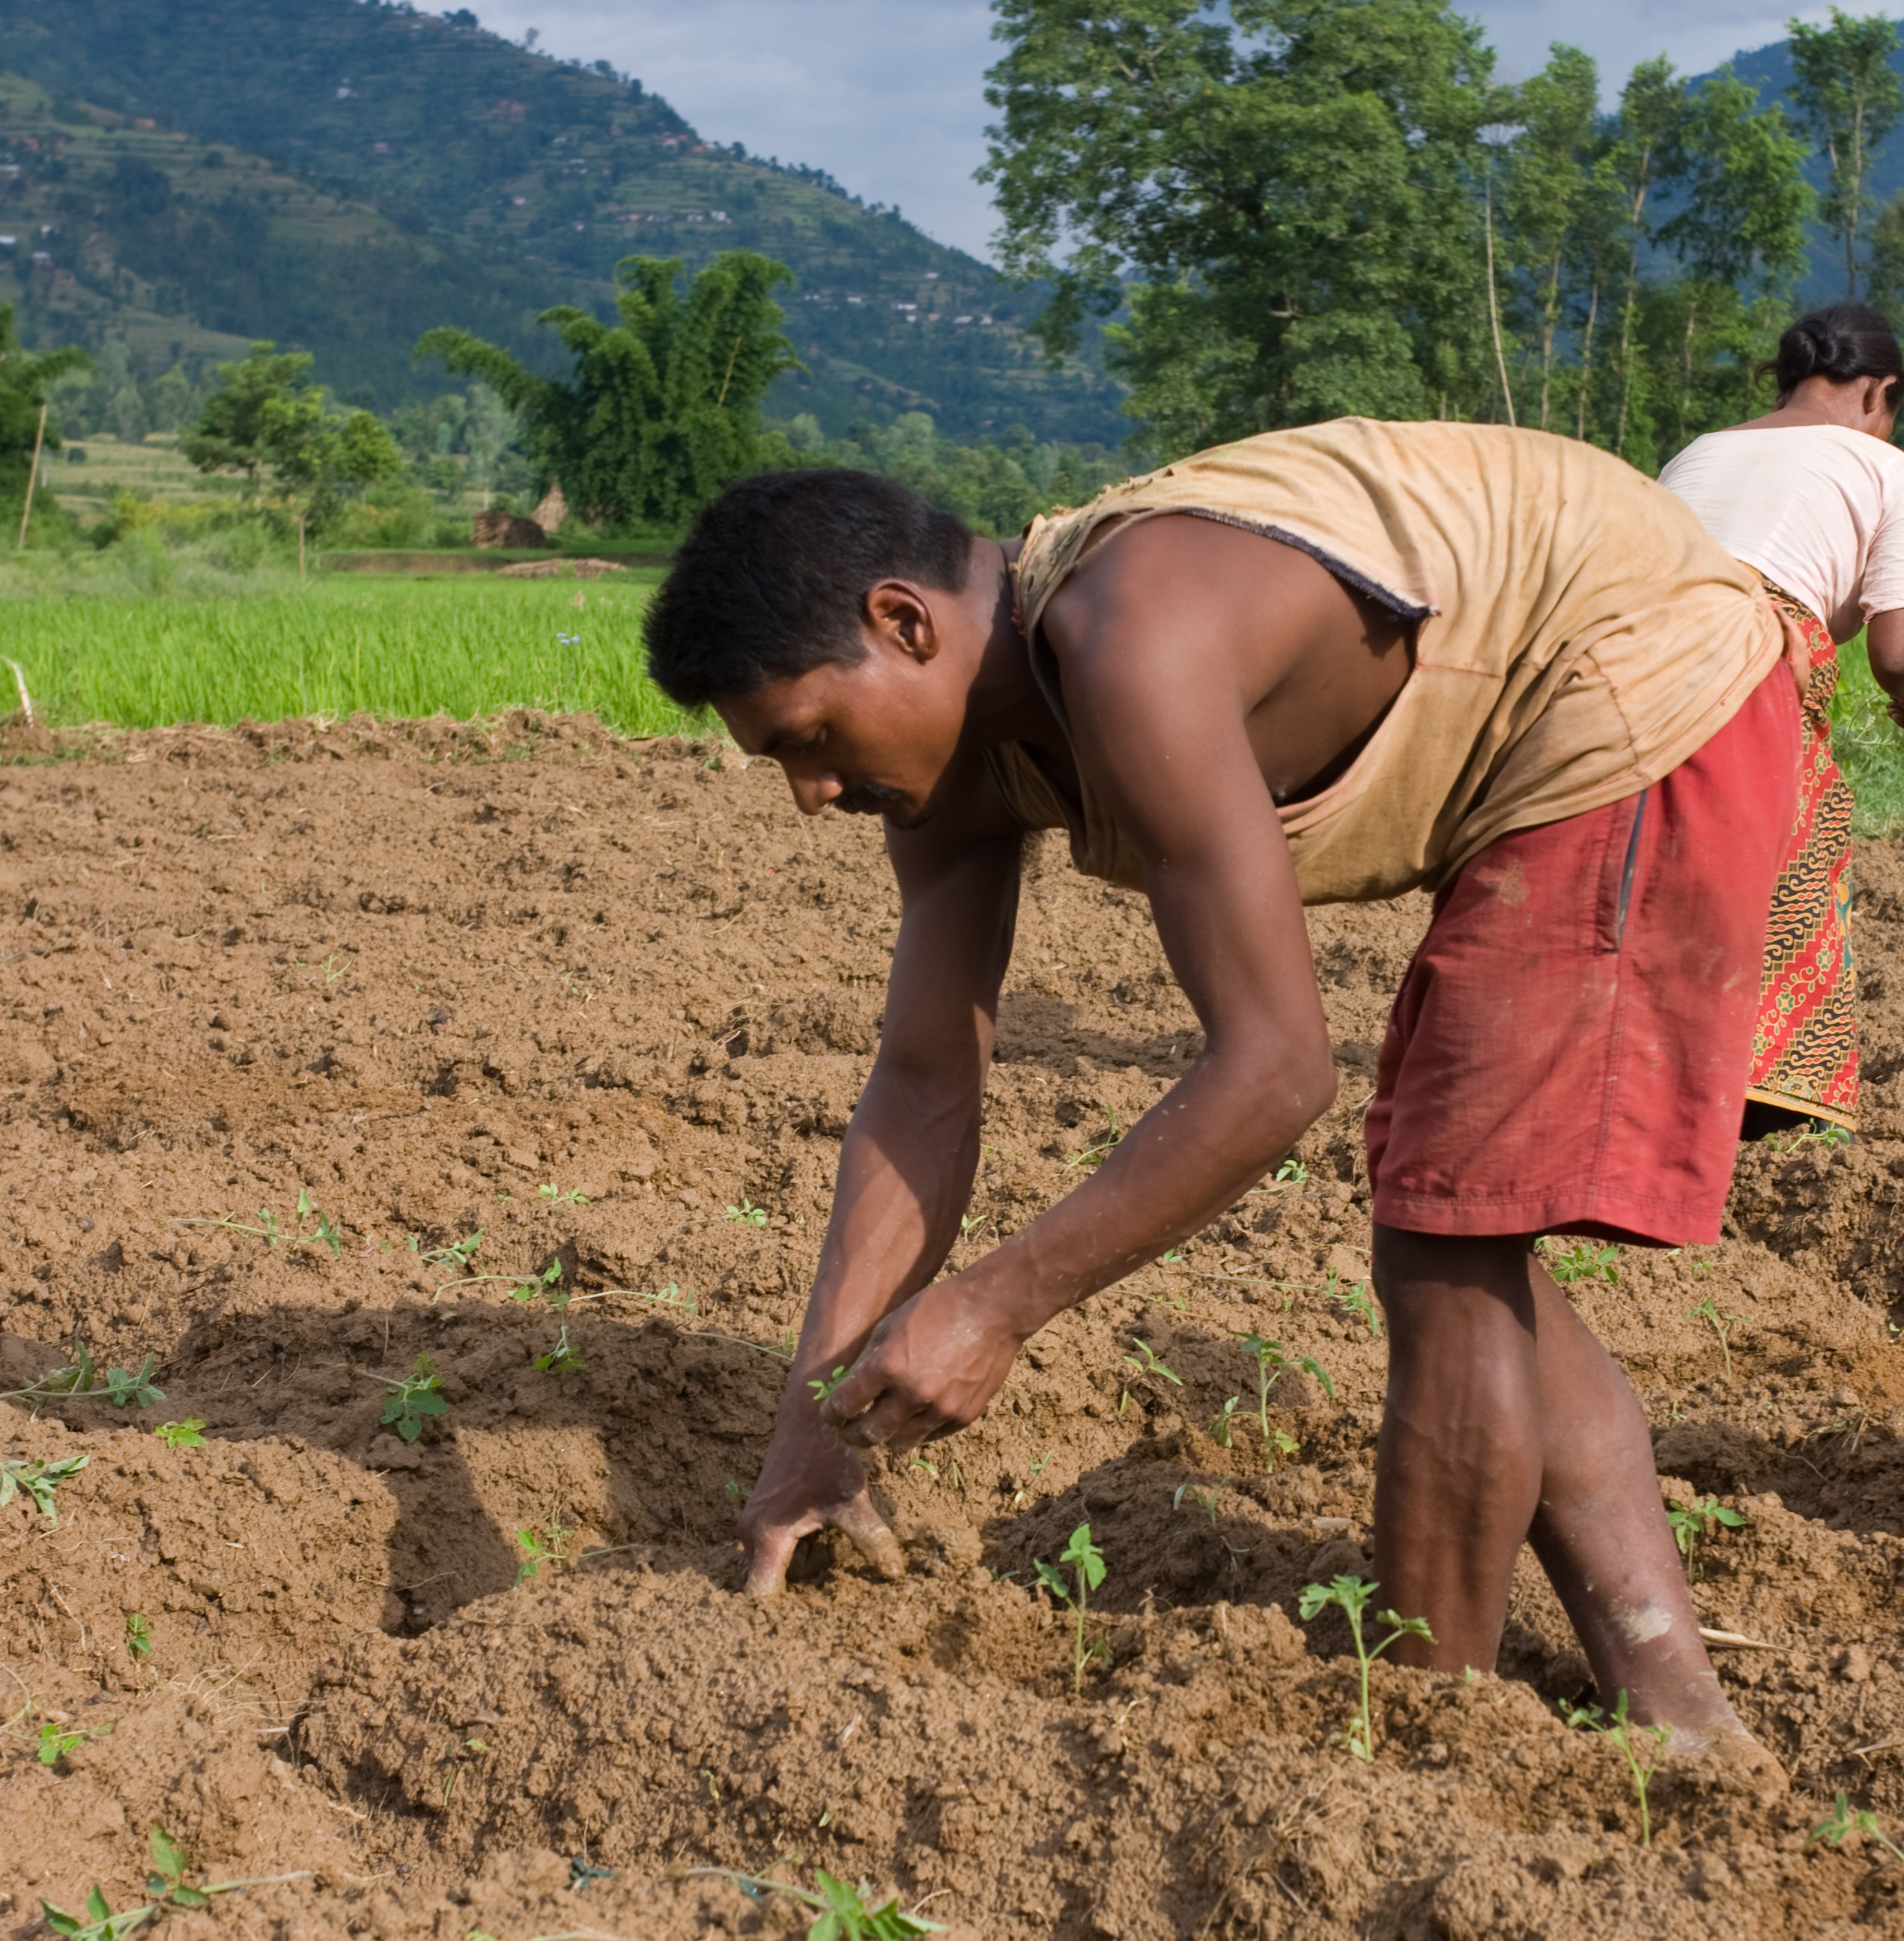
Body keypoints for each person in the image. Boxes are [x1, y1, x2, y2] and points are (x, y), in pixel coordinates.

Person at [641, 419, 1808, 1784]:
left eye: (812, 736)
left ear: (902, 622)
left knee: (1443, 1234)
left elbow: (1271, 1070)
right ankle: (1674, 1706)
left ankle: (1418, 1746)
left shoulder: (1134, 636)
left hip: (1638, 670)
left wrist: (996, 1302)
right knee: (1455, 1229)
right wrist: (810, 1439)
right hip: (1554, 708)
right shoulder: (960, 771)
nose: (807, 792)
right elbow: (921, 1079)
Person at [1657, 303, 1904, 1137]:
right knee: (1800, 851)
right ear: (1879, 394)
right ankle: (1767, 1105)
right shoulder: (1885, 466)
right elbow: (1894, 648)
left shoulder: (1699, 452)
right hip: (1751, 652)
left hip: (1629, 642)